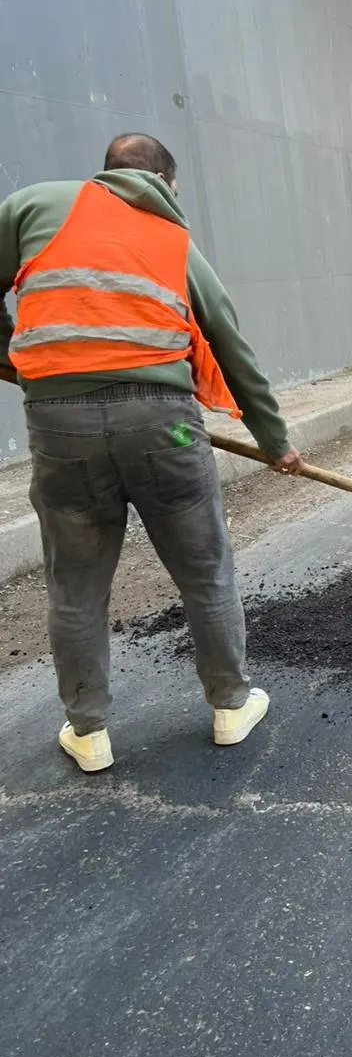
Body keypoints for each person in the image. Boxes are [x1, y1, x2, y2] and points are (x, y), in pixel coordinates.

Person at [0, 134, 303, 773]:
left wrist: (21, 363)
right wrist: (275, 442)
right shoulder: (173, 239)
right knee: (204, 569)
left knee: (75, 585)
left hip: (59, 425)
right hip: (166, 424)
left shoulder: (31, 206)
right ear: (165, 182)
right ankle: (231, 705)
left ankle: (88, 732)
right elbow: (228, 343)